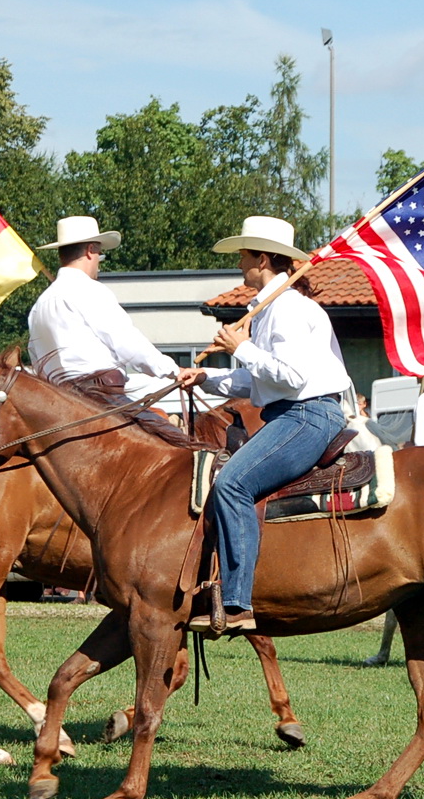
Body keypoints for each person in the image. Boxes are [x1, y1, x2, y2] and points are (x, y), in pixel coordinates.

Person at [183, 216, 352, 634]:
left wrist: (241, 349)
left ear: (261, 258)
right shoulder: (268, 310)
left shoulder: (289, 309)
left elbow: (290, 377)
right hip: (294, 412)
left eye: (243, 255)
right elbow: (261, 380)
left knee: (233, 483)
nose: (239, 264)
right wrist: (208, 378)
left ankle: (238, 603)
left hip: (306, 414)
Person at [27, 214, 195, 392]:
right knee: (162, 421)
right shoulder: (90, 290)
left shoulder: (39, 305)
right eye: (99, 253)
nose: (99, 263)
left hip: (57, 400)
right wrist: (173, 370)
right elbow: (127, 343)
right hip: (98, 397)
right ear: (90, 251)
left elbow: (36, 357)